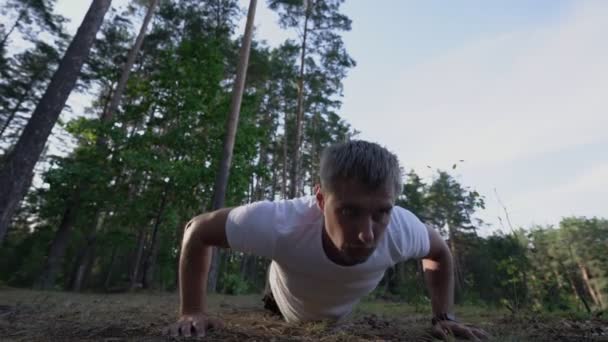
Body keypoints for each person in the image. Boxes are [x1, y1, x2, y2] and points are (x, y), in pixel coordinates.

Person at [165, 140, 489, 340]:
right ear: (321, 200)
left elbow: (440, 254)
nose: (367, 232)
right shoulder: (281, 223)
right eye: (349, 211)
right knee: (280, 291)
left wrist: (444, 317)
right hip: (282, 299)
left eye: (381, 213)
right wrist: (192, 310)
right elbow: (197, 229)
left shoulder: (403, 230)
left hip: (339, 310)